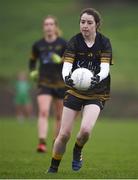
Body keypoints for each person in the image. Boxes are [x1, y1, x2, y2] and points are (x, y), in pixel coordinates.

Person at [48, 8, 113, 173]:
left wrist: (97, 77)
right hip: (75, 91)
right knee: (63, 135)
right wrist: (67, 79)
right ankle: (53, 168)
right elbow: (66, 67)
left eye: (89, 22)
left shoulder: (104, 42)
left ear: (96, 25)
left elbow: (105, 69)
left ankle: (77, 150)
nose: (85, 25)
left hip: (97, 92)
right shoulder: (74, 41)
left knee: (84, 131)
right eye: (82, 22)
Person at [29, 15, 66, 153]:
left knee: (59, 116)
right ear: (43, 27)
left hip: (61, 84)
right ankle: (42, 143)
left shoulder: (63, 43)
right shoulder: (38, 45)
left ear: (56, 27)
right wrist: (33, 71)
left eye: (51, 24)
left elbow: (71, 61)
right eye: (46, 24)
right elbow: (32, 61)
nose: (49, 26)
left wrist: (61, 60)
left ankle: (55, 142)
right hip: (44, 82)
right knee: (43, 112)